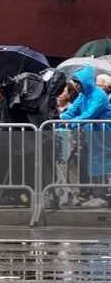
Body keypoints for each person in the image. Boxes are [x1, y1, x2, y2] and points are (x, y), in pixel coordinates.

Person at [60, 66, 111, 208]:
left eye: (78, 83)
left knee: (101, 163)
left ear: (85, 82)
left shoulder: (99, 95)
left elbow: (89, 114)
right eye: (75, 83)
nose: (76, 86)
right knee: (91, 162)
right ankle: (94, 194)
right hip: (92, 134)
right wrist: (61, 120)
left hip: (103, 134)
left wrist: (68, 124)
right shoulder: (83, 96)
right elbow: (72, 111)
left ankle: (101, 196)